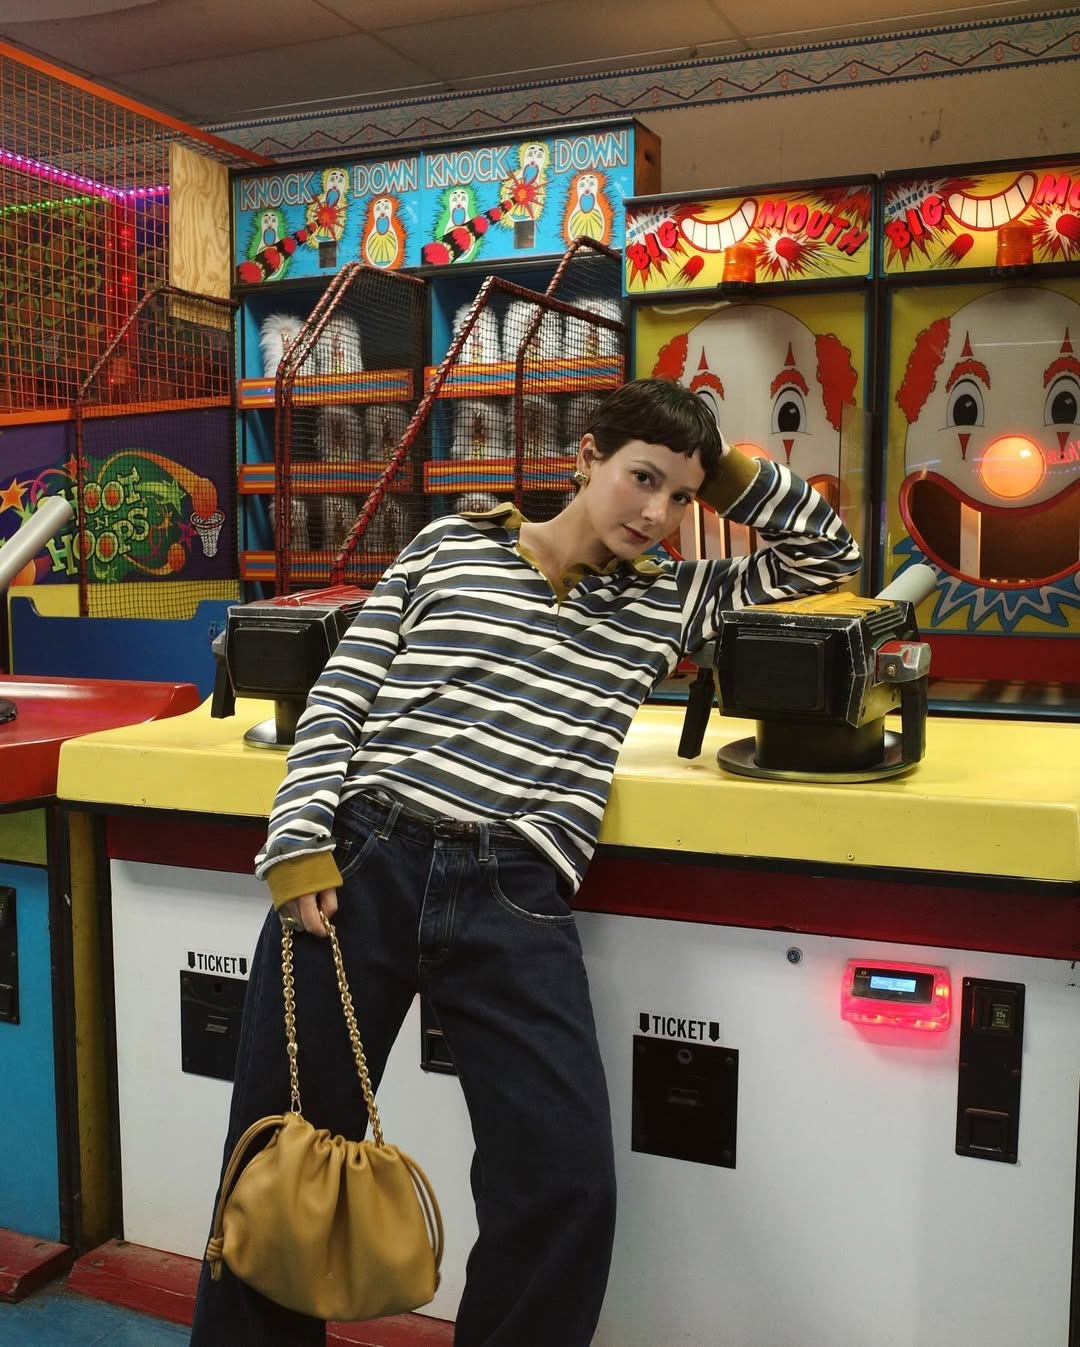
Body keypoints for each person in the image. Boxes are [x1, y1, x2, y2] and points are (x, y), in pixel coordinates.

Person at [190, 376, 860, 1346]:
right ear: (583, 456)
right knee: (279, 1165)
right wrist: (296, 842)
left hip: (515, 892)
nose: (658, 513)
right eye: (640, 478)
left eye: (681, 495)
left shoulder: (670, 601)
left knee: (565, 1187)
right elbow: (341, 692)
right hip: (361, 862)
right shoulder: (449, 544)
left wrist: (723, 466)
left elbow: (827, 555)